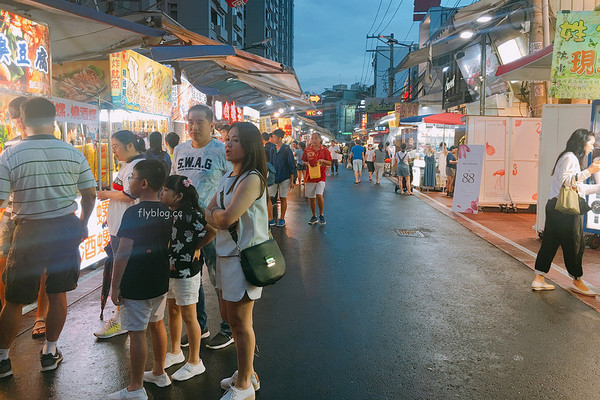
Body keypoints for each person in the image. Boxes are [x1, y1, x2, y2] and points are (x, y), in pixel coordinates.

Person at [0, 97, 96, 378]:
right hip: (65, 228)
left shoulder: (10, 155)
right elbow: (89, 194)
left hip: (28, 230)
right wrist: (82, 222)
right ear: (54, 120)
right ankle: (50, 353)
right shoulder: (73, 152)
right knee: (58, 293)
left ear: (23, 121)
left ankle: (3, 360)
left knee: (15, 299)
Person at [206, 122, 267, 400]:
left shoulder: (252, 178)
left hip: (244, 259)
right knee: (231, 319)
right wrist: (218, 214)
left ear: (250, 145)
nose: (228, 144)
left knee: (241, 323)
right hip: (225, 256)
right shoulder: (228, 177)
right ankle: (247, 373)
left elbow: (226, 218)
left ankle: (244, 386)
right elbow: (211, 211)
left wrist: (219, 215)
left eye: (235, 140)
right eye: (227, 139)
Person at [107, 160, 172, 400]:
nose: (129, 181)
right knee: (157, 323)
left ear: (143, 184)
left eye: (132, 177)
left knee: (136, 333)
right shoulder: (167, 211)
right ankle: (159, 372)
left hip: (137, 283)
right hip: (159, 280)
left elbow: (122, 253)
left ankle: (135, 388)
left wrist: (115, 286)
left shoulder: (133, 212)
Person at [171, 104, 233, 350]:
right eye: (190, 122)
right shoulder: (179, 149)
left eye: (199, 122)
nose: (194, 127)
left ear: (211, 124)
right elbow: (174, 182)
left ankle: (227, 329)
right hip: (186, 227)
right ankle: (200, 326)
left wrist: (223, 217)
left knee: (220, 278)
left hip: (214, 226)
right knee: (191, 278)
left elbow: (231, 185)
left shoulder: (221, 150)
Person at [0, 96, 49, 339]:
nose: (20, 121)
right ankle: (8, 312)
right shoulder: (8, 146)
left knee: (41, 269)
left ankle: (40, 316)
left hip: (36, 216)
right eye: (16, 116)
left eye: (23, 116)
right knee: (6, 266)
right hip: (10, 215)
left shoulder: (47, 144)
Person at [160, 175, 216, 381]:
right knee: (172, 310)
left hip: (186, 271)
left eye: (166, 190)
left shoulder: (192, 214)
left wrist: (197, 247)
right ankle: (175, 352)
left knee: (189, 315)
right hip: (169, 269)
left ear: (179, 196)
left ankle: (195, 361)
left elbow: (211, 231)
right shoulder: (166, 212)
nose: (162, 193)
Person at [532, 129, 600, 295]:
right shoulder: (570, 157)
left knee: (550, 243)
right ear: (581, 142)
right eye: (590, 143)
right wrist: (590, 171)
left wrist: (597, 186)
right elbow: (567, 181)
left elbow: (576, 186)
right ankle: (577, 280)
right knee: (575, 245)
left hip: (556, 206)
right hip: (565, 209)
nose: (592, 147)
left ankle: (539, 278)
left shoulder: (567, 157)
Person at [95, 130, 146, 339]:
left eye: (116, 146)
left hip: (125, 230)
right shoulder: (128, 166)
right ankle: (123, 317)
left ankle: (122, 320)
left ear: (131, 146)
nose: (113, 150)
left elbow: (129, 195)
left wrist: (105, 194)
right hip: (119, 228)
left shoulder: (135, 167)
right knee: (122, 272)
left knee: (123, 274)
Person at [266, 129, 295, 228]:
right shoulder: (272, 149)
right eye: (272, 137)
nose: (273, 138)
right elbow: (270, 163)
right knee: (269, 197)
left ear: (279, 138)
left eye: (274, 137)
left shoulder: (287, 149)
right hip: (273, 177)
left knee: (283, 198)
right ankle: (270, 219)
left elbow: (291, 166)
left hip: (285, 177)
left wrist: (292, 181)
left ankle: (282, 218)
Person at [302, 133, 332, 225]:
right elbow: (303, 161)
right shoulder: (307, 149)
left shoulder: (325, 150)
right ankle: (314, 216)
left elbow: (330, 163)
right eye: (312, 138)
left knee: (319, 195)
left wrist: (323, 161)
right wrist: (306, 163)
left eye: (315, 138)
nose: (313, 140)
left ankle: (321, 214)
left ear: (320, 139)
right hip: (310, 176)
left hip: (321, 176)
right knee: (311, 197)